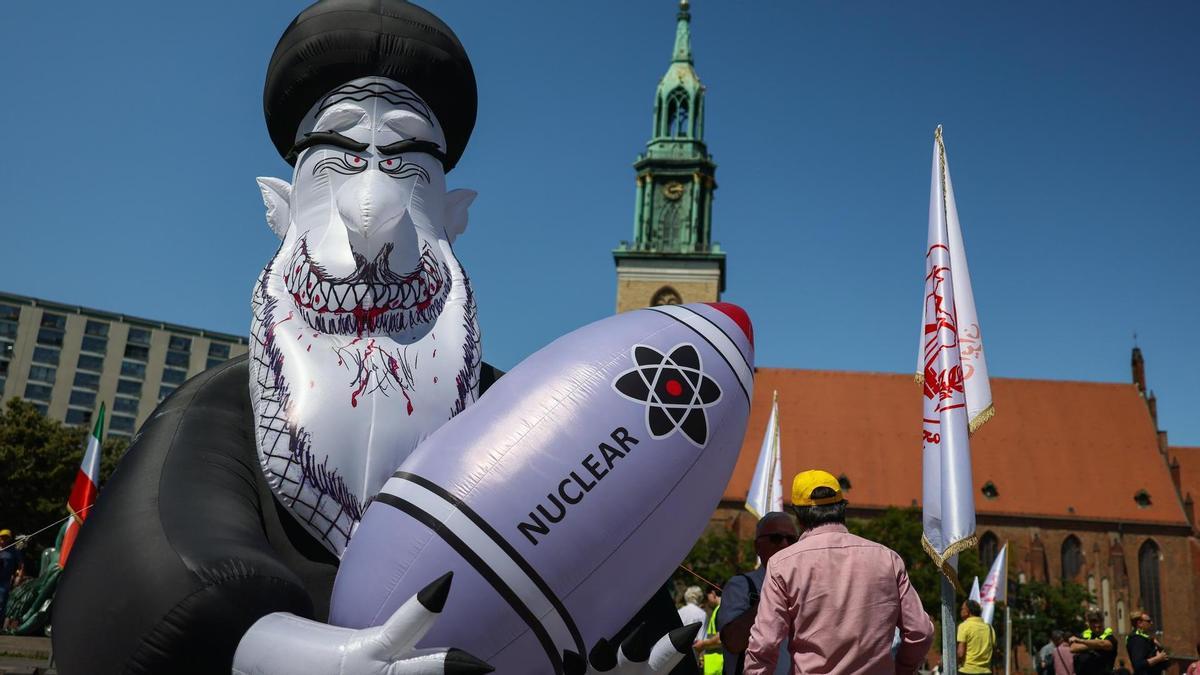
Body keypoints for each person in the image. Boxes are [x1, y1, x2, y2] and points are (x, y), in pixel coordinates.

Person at [741, 470, 934, 674]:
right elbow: (920, 632)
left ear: (798, 515)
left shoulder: (782, 564)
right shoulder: (888, 558)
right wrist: (902, 669)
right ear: (842, 508)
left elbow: (764, 644)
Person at [716, 512, 798, 675]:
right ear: (757, 547)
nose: (784, 544)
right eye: (776, 538)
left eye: (791, 539)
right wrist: (774, 595)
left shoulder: (802, 587)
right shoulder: (741, 586)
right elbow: (733, 642)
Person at [1070, 609, 1118, 675]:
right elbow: (1073, 648)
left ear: (1102, 622)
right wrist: (1094, 645)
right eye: (1093, 621)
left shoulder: (1109, 637)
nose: (1097, 624)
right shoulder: (1085, 635)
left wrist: (1082, 641)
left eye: (1099, 621)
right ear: (1089, 623)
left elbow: (1104, 644)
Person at [1124, 610, 1169, 675]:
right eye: (1148, 621)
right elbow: (1138, 664)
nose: (1152, 623)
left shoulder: (1145, 638)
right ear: (1139, 623)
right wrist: (1158, 658)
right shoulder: (1137, 639)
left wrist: (1159, 647)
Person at [957, 599, 995, 674]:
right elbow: (993, 649)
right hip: (985, 671)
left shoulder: (964, 626)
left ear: (967, 611)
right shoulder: (990, 628)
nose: (960, 611)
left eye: (962, 609)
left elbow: (960, 653)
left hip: (967, 671)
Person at [694, 588, 724, 675]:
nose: (707, 600)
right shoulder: (720, 610)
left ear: (713, 593)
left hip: (717, 668)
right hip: (715, 667)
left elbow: (720, 639)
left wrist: (702, 644)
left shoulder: (720, 610)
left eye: (707, 596)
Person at [0, 529, 23, 622]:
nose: (4, 539)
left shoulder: (14, 550)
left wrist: (19, 576)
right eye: (2, 537)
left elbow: (21, 564)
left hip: (4, 581)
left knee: (1, 602)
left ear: (9, 539)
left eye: (6, 538)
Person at [678, 586, 707, 657]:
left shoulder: (679, 611)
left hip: (678, 649)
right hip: (693, 652)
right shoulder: (702, 614)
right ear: (700, 597)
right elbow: (701, 638)